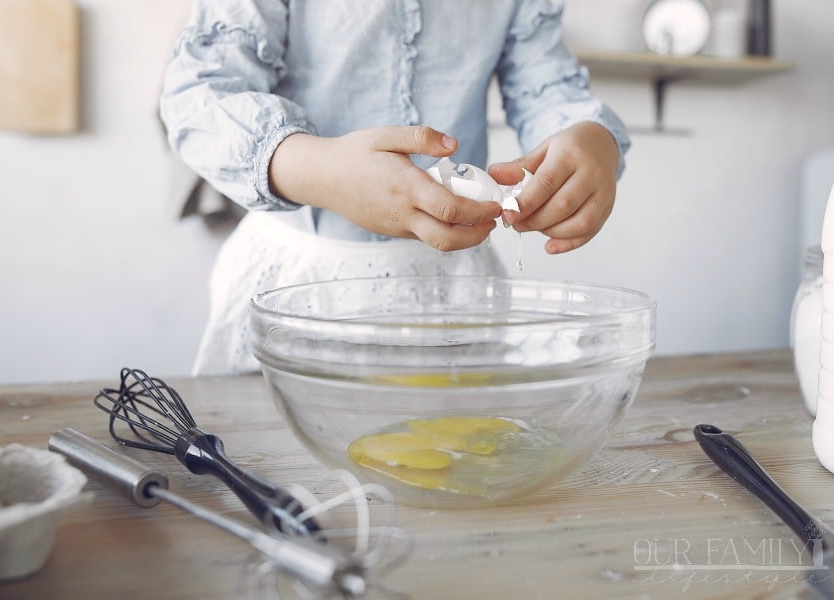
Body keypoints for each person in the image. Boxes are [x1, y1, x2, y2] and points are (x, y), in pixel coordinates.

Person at [160, 0, 630, 375]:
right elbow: (202, 97)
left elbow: (549, 89)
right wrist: (323, 170)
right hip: (296, 286)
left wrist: (593, 140)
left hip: (455, 289)